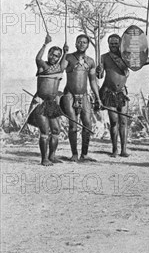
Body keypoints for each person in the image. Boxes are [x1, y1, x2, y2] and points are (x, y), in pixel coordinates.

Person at [60, 34, 102, 162]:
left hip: (84, 96)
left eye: (84, 42)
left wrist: (98, 98)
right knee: (73, 125)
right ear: (75, 43)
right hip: (69, 95)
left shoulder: (90, 61)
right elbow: (60, 68)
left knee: (88, 124)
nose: (82, 44)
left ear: (88, 45)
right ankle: (74, 154)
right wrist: (64, 53)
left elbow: (93, 81)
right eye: (79, 42)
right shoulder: (69, 57)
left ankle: (84, 154)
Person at [28, 34, 67, 165]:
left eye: (56, 55)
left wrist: (65, 52)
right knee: (44, 132)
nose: (53, 57)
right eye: (51, 54)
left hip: (52, 104)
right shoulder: (43, 66)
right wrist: (45, 44)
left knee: (56, 130)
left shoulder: (59, 68)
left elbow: (63, 62)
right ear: (48, 54)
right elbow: (38, 58)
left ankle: (52, 156)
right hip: (40, 102)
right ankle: (44, 158)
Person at [96, 34, 130, 157]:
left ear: (120, 44)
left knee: (124, 121)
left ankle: (124, 150)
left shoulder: (126, 57)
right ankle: (115, 149)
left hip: (122, 93)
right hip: (109, 93)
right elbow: (99, 76)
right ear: (108, 44)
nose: (114, 46)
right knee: (114, 121)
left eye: (116, 43)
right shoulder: (104, 57)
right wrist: (98, 70)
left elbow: (136, 66)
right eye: (111, 44)